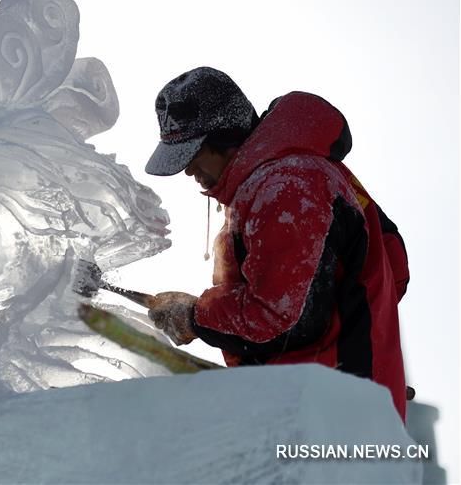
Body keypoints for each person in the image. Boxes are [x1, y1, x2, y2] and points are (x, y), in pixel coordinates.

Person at [144, 67, 409, 419]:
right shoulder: (299, 178)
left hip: (326, 414)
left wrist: (195, 317)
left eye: (193, 155)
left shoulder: (285, 187)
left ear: (224, 137)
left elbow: (279, 316)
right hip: (351, 404)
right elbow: (394, 264)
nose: (189, 172)